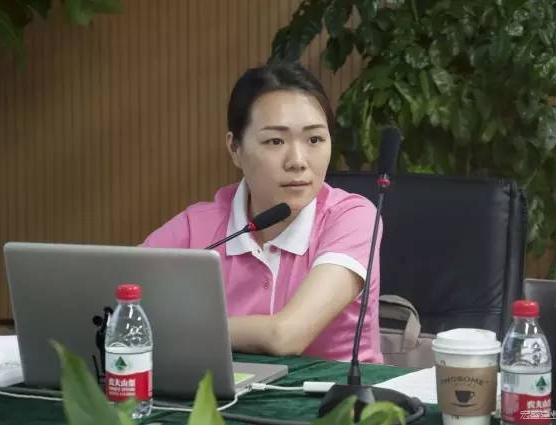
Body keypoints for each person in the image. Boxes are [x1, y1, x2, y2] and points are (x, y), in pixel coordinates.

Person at [142, 62, 383, 363]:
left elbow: (286, 334)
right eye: (275, 141)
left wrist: (175, 329)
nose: (298, 161)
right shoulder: (198, 226)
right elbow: (115, 299)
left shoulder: (352, 218)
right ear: (235, 148)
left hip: (339, 392)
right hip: (229, 391)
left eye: (314, 140)